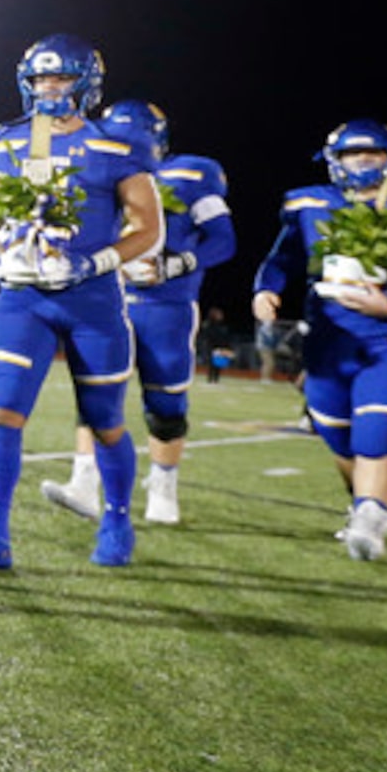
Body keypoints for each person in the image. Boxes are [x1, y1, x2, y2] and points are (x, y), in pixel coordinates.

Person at [0, 36, 162, 571]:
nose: (48, 89)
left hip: (91, 300)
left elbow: (148, 229)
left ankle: (116, 520)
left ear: (84, 85)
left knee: (104, 418)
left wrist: (95, 263)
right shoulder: (8, 142)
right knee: (4, 408)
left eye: (60, 79)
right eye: (40, 79)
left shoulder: (117, 146)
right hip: (23, 298)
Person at [249, 120, 387, 560]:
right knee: (340, 440)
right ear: (335, 161)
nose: (363, 163)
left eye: (373, 154)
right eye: (353, 155)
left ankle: (370, 518)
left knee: (374, 435)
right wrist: (265, 288)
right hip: (330, 344)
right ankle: (363, 504)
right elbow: (282, 257)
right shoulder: (309, 204)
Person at [43, 100, 233, 528]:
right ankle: (84, 481)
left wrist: (176, 263)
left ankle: (163, 484)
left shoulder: (192, 173)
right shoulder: (93, 167)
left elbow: (223, 240)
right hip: (105, 297)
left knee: (165, 401)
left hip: (166, 303)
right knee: (95, 389)